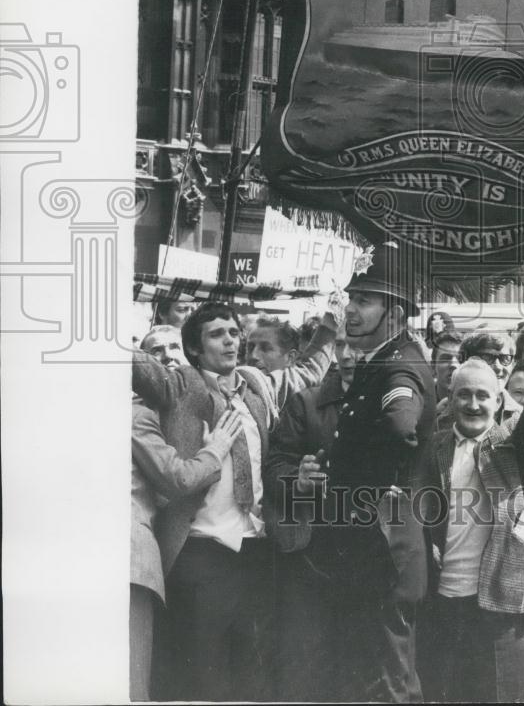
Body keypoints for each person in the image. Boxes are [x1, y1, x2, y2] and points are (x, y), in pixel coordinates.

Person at [131, 299, 340, 701]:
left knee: (253, 676)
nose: (229, 341)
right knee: (205, 679)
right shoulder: (180, 384)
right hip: (200, 553)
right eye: (216, 334)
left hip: (258, 551)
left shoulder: (256, 386)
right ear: (194, 348)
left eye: (232, 332)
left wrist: (329, 325)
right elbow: (142, 370)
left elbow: (308, 369)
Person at [324, 242, 436, 703]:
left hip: (384, 541)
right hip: (380, 540)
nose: (350, 310)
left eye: (364, 301)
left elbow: (400, 426)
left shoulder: (397, 366)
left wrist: (364, 491)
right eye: (350, 299)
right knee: (381, 670)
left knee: (386, 677)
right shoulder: (384, 359)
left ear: (396, 312)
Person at [422, 354, 524, 703]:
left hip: (502, 611)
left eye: (483, 395)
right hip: (443, 605)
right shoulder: (433, 447)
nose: (473, 404)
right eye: (463, 395)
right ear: (450, 399)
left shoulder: (512, 444)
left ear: (499, 401)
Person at [130, 362, 242, 701]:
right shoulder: (136, 414)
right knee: (132, 680)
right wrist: (216, 448)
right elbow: (177, 478)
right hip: (131, 560)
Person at [263, 325, 360, 702]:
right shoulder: (306, 402)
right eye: (341, 345)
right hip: (311, 554)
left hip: (372, 551)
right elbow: (273, 470)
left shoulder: (394, 401)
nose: (349, 355)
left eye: (359, 346)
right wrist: (297, 480)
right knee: (305, 662)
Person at [460, 331, 519, 425]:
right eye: (487, 357)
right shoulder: (444, 414)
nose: (498, 367)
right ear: (468, 361)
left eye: (505, 358)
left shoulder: (520, 417)